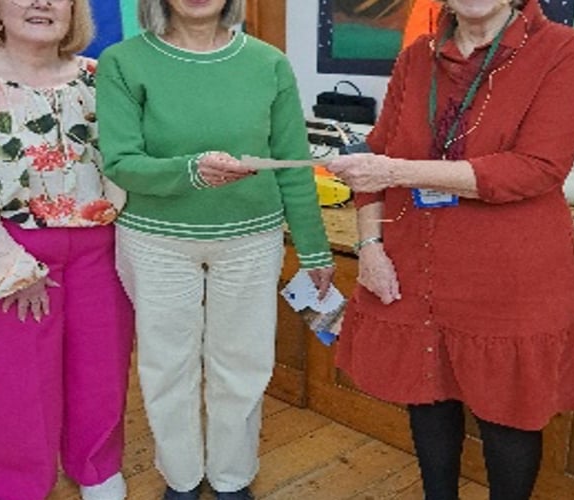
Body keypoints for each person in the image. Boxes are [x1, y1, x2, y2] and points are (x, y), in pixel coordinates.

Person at [326, 0, 574, 499]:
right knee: (427, 397)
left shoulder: (563, 50)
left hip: (509, 273)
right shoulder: (417, 56)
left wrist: (397, 172)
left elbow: (537, 167)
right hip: (416, 260)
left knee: (509, 417)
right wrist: (369, 244)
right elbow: (376, 152)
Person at [95, 1, 335, 498]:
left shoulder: (268, 63)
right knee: (168, 365)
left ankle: (232, 478)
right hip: (155, 239)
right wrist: (190, 171)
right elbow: (120, 161)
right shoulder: (123, 62)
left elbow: (292, 163)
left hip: (251, 238)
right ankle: (181, 478)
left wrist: (313, 249)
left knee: (243, 363)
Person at [0, 1, 134, 499]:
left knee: (101, 370)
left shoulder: (102, 79)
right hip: (3, 248)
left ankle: (97, 467)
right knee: (15, 383)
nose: (42, 2)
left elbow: (129, 162)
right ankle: (16, 484)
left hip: (100, 248)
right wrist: (11, 268)